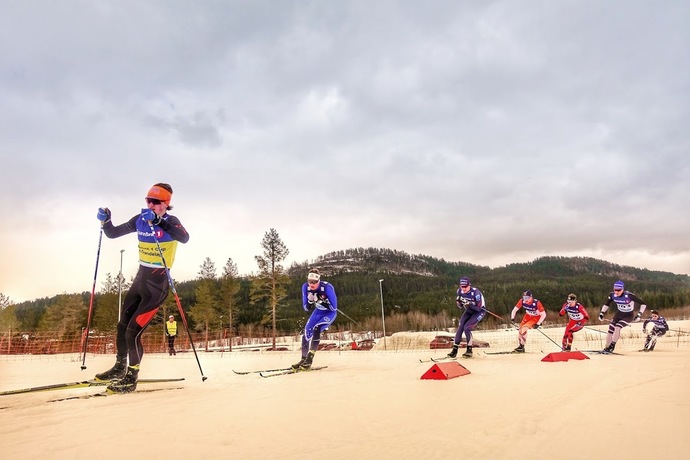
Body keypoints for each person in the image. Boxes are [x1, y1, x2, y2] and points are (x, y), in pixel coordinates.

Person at [94, 183, 189, 392]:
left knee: (133, 333)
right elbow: (112, 233)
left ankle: (131, 377)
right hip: (140, 281)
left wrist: (159, 223)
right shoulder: (140, 220)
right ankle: (119, 367)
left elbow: (184, 237)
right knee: (122, 326)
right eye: (148, 201)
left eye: (156, 202)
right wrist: (106, 220)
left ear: (166, 204)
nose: (151, 205)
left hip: (157, 285)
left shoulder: (171, 222)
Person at [292, 269, 338, 370]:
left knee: (317, 328)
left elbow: (334, 308)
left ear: (319, 281)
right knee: (306, 333)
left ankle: (310, 358)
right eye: (310, 281)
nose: (311, 284)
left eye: (314, 282)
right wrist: (309, 300)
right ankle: (303, 359)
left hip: (329, 313)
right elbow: (306, 308)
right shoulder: (305, 287)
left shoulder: (327, 287)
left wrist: (321, 300)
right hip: (318, 312)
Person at [598, 280, 647, 354]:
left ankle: (612, 346)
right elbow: (607, 304)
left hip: (628, 315)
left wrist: (639, 314)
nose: (617, 292)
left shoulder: (629, 295)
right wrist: (601, 313)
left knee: (618, 327)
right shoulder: (612, 295)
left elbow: (643, 304)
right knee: (611, 328)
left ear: (623, 289)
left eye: (619, 290)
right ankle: (607, 347)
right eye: (615, 290)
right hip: (619, 314)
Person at [447, 277, 487, 358]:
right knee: (460, 326)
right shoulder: (459, 291)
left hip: (479, 312)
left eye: (465, 286)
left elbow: (478, 308)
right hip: (469, 311)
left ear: (469, 285)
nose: (464, 288)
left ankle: (469, 350)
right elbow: (460, 306)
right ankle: (454, 350)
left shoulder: (476, 293)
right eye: (462, 286)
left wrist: (468, 303)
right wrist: (459, 302)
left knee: (467, 327)